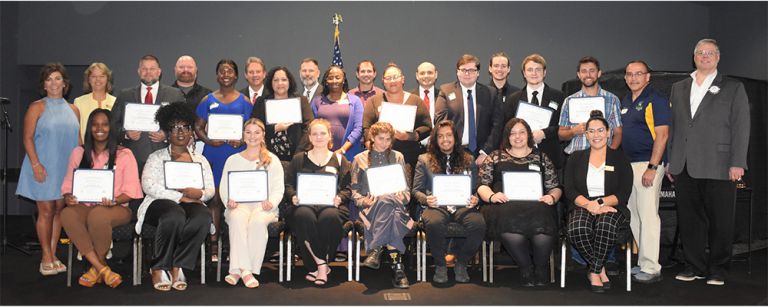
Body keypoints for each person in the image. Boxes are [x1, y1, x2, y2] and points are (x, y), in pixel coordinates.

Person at [668, 39, 750, 286]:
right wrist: (671, 161)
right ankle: (694, 266)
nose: (705, 56)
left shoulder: (733, 87)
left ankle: (718, 269)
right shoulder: (679, 87)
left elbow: (741, 126)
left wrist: (738, 162)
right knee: (690, 220)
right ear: (694, 57)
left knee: (721, 220)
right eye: (700, 52)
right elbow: (674, 127)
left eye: (710, 53)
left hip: (720, 164)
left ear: (718, 57)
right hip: (684, 164)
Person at [136, 102, 215, 291]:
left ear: (191, 131)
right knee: (174, 214)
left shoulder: (200, 160)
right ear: (167, 133)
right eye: (174, 127)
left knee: (203, 217)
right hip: (159, 204)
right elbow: (148, 186)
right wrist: (179, 197)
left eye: (185, 127)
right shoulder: (156, 157)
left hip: (191, 202)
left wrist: (200, 193)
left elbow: (210, 189)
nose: (180, 132)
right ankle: (158, 267)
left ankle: (178, 265)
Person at [59, 109, 143, 288]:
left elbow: (131, 191)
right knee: (67, 214)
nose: (99, 129)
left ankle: (96, 268)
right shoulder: (78, 153)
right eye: (95, 124)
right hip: (84, 206)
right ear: (89, 128)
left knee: (98, 214)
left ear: (111, 128)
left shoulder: (124, 154)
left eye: (105, 124)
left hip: (117, 208)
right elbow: (67, 184)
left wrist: (114, 200)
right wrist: (68, 197)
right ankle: (101, 268)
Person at [477, 118, 562, 287]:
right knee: (506, 219)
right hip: (504, 206)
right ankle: (526, 268)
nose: (517, 137)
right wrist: (492, 196)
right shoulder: (495, 156)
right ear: (507, 137)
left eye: (521, 132)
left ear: (528, 134)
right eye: (512, 133)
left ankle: (541, 268)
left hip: (537, 206)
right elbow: (482, 185)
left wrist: (552, 197)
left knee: (544, 218)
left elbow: (555, 187)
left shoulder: (541, 157)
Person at [16, 63, 81, 276]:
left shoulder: (74, 109)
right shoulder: (37, 107)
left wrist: (81, 170)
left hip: (65, 168)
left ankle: (53, 254)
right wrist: (36, 164)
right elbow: (27, 138)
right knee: (46, 211)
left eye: (57, 78)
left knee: (59, 211)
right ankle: (45, 257)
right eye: (49, 79)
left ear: (65, 83)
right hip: (42, 166)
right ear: (44, 85)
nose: (53, 83)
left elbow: (78, 141)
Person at [564, 110, 632, 293]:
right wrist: (590, 205)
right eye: (591, 131)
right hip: (582, 204)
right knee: (577, 229)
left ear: (609, 132)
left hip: (611, 205)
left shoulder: (620, 158)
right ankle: (599, 268)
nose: (596, 135)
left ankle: (593, 272)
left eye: (601, 130)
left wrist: (600, 203)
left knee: (605, 226)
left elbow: (623, 192)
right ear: (586, 134)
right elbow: (569, 189)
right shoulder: (575, 157)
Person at [194, 59, 254, 261]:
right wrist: (209, 140)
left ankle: (234, 247)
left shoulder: (245, 101)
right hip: (214, 154)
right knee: (215, 200)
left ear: (236, 76)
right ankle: (214, 247)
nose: (225, 74)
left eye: (229, 71)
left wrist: (242, 140)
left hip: (237, 155)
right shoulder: (207, 100)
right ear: (217, 76)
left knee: (238, 201)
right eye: (222, 71)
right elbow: (198, 127)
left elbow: (252, 128)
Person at [412, 120, 485, 284]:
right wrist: (426, 199)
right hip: (436, 206)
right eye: (440, 136)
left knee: (478, 224)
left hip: (462, 205)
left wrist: (475, 198)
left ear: (455, 138)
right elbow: (416, 190)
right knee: (434, 223)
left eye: (449, 135)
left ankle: (461, 263)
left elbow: (475, 188)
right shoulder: (424, 159)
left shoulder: (468, 159)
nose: (445, 139)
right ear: (435, 139)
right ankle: (440, 265)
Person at [284, 119, 352, 286]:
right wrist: (293, 196)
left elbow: (348, 188)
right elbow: (288, 185)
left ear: (329, 136)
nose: (319, 137)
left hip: (331, 206)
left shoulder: (340, 159)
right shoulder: (298, 159)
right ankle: (322, 264)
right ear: (309, 137)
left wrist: (340, 198)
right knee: (303, 216)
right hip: (304, 205)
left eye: (323, 133)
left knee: (330, 218)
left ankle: (315, 266)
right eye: (315, 134)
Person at [620, 60, 670, 284]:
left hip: (647, 164)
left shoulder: (656, 100)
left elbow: (662, 135)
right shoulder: (625, 101)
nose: (633, 78)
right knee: (634, 215)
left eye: (638, 74)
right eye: (630, 74)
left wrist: (652, 167)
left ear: (648, 77)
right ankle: (642, 262)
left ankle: (651, 267)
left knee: (648, 215)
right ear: (625, 78)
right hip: (628, 165)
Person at [219, 118, 284, 288]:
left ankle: (238, 270)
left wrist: (271, 202)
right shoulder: (232, 160)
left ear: (263, 135)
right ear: (243, 135)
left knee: (257, 222)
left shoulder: (272, 160)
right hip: (238, 206)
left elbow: (279, 188)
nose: (252, 136)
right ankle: (246, 271)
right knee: (237, 219)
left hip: (264, 208)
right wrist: (228, 201)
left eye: (256, 132)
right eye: (248, 132)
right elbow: (224, 187)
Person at [351, 122, 415, 289]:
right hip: (370, 208)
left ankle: (376, 248)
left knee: (388, 201)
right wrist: (364, 201)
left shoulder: (398, 157)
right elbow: (355, 192)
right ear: (372, 137)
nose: (384, 143)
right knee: (390, 210)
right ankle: (398, 268)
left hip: (395, 205)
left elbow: (406, 191)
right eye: (381, 138)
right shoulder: (359, 159)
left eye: (388, 139)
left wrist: (403, 197)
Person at [110, 54, 185, 174]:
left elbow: (184, 124)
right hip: (132, 158)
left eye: (152, 69)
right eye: (144, 69)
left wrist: (167, 134)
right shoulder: (125, 95)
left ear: (159, 72)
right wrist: (126, 134)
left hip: (165, 157)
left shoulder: (174, 95)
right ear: (139, 71)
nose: (148, 72)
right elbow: (112, 125)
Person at [435, 54, 503, 166]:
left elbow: (497, 126)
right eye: (463, 70)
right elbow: (440, 123)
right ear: (457, 72)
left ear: (478, 73)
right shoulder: (446, 91)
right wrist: (451, 150)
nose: (467, 74)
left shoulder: (491, 93)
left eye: (471, 70)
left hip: (483, 154)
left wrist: (485, 152)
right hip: (454, 152)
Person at [362, 63, 432, 172]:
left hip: (409, 158)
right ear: (383, 81)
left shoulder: (415, 100)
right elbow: (366, 128)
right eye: (388, 78)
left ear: (402, 79)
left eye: (395, 77)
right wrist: (372, 147)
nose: (392, 81)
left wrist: (409, 136)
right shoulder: (374, 101)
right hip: (380, 157)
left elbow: (427, 127)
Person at [502, 54, 565, 171]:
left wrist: (544, 133)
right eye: (530, 70)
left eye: (538, 69)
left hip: (550, 155)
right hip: (520, 157)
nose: (534, 73)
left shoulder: (559, 96)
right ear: (524, 73)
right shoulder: (513, 99)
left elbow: (563, 127)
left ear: (544, 72)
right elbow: (507, 128)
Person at [558, 56, 623, 155]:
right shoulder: (569, 101)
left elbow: (618, 133)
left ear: (599, 73)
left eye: (592, 71)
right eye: (584, 71)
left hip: (603, 156)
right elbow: (561, 134)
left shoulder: (612, 99)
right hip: (576, 156)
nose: (588, 75)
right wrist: (573, 131)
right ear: (579, 75)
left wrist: (610, 154)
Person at [251, 66, 314, 162]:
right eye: (276, 80)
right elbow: (253, 128)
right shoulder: (261, 102)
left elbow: (309, 128)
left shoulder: (301, 101)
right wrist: (275, 128)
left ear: (289, 82)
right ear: (271, 83)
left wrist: (298, 154)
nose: (280, 83)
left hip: (297, 156)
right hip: (267, 157)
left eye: (284, 80)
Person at [310, 65, 364, 161]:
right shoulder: (317, 101)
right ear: (326, 81)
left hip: (348, 155)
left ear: (343, 80)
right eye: (330, 78)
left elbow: (358, 129)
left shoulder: (355, 101)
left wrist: (342, 150)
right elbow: (311, 128)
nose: (334, 81)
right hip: (322, 155)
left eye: (337, 77)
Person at [73, 62, 116, 141]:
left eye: (102, 76)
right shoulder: (79, 102)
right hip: (86, 147)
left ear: (107, 79)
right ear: (89, 79)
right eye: (94, 76)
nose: (98, 80)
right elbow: (76, 132)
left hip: (111, 147)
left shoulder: (116, 102)